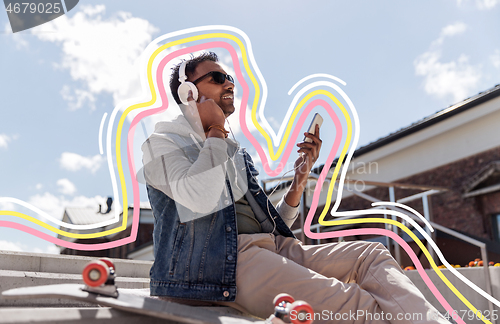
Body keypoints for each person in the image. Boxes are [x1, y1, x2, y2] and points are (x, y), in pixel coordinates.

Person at [142, 52, 449, 324]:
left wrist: (300, 178)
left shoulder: (232, 151)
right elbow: (201, 196)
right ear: (188, 92)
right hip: (222, 262)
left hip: (268, 249)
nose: (230, 84)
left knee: (371, 255)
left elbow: (270, 227)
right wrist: (216, 130)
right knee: (358, 307)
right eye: (218, 77)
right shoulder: (163, 144)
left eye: (231, 78)